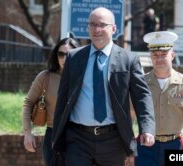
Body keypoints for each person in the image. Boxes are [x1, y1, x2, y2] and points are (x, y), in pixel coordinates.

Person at [52, 7, 155, 166]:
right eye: (92, 24)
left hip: (113, 139)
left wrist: (147, 128)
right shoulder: (74, 57)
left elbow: (142, 96)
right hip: (78, 139)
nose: (97, 29)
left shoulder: (128, 59)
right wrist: (56, 138)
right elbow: (63, 98)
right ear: (87, 28)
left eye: (102, 25)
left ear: (113, 28)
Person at [135, 31, 183, 166]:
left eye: (164, 54)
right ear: (151, 57)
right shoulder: (141, 83)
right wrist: (129, 143)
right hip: (146, 146)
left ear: (172, 55)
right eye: (155, 55)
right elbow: (130, 113)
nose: (159, 58)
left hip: (175, 145)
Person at [22, 37, 79, 166]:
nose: (64, 58)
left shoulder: (84, 77)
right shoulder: (45, 77)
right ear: (56, 55)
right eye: (61, 54)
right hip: (54, 135)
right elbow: (28, 104)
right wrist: (27, 133)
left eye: (69, 54)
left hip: (80, 137)